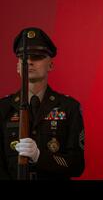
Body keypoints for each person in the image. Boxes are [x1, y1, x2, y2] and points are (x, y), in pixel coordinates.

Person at [0, 27, 85, 180]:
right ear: (18, 66)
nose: (30, 62)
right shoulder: (3, 108)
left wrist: (40, 156)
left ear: (51, 65)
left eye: (37, 56)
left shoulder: (69, 107)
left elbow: (77, 165)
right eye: (23, 57)